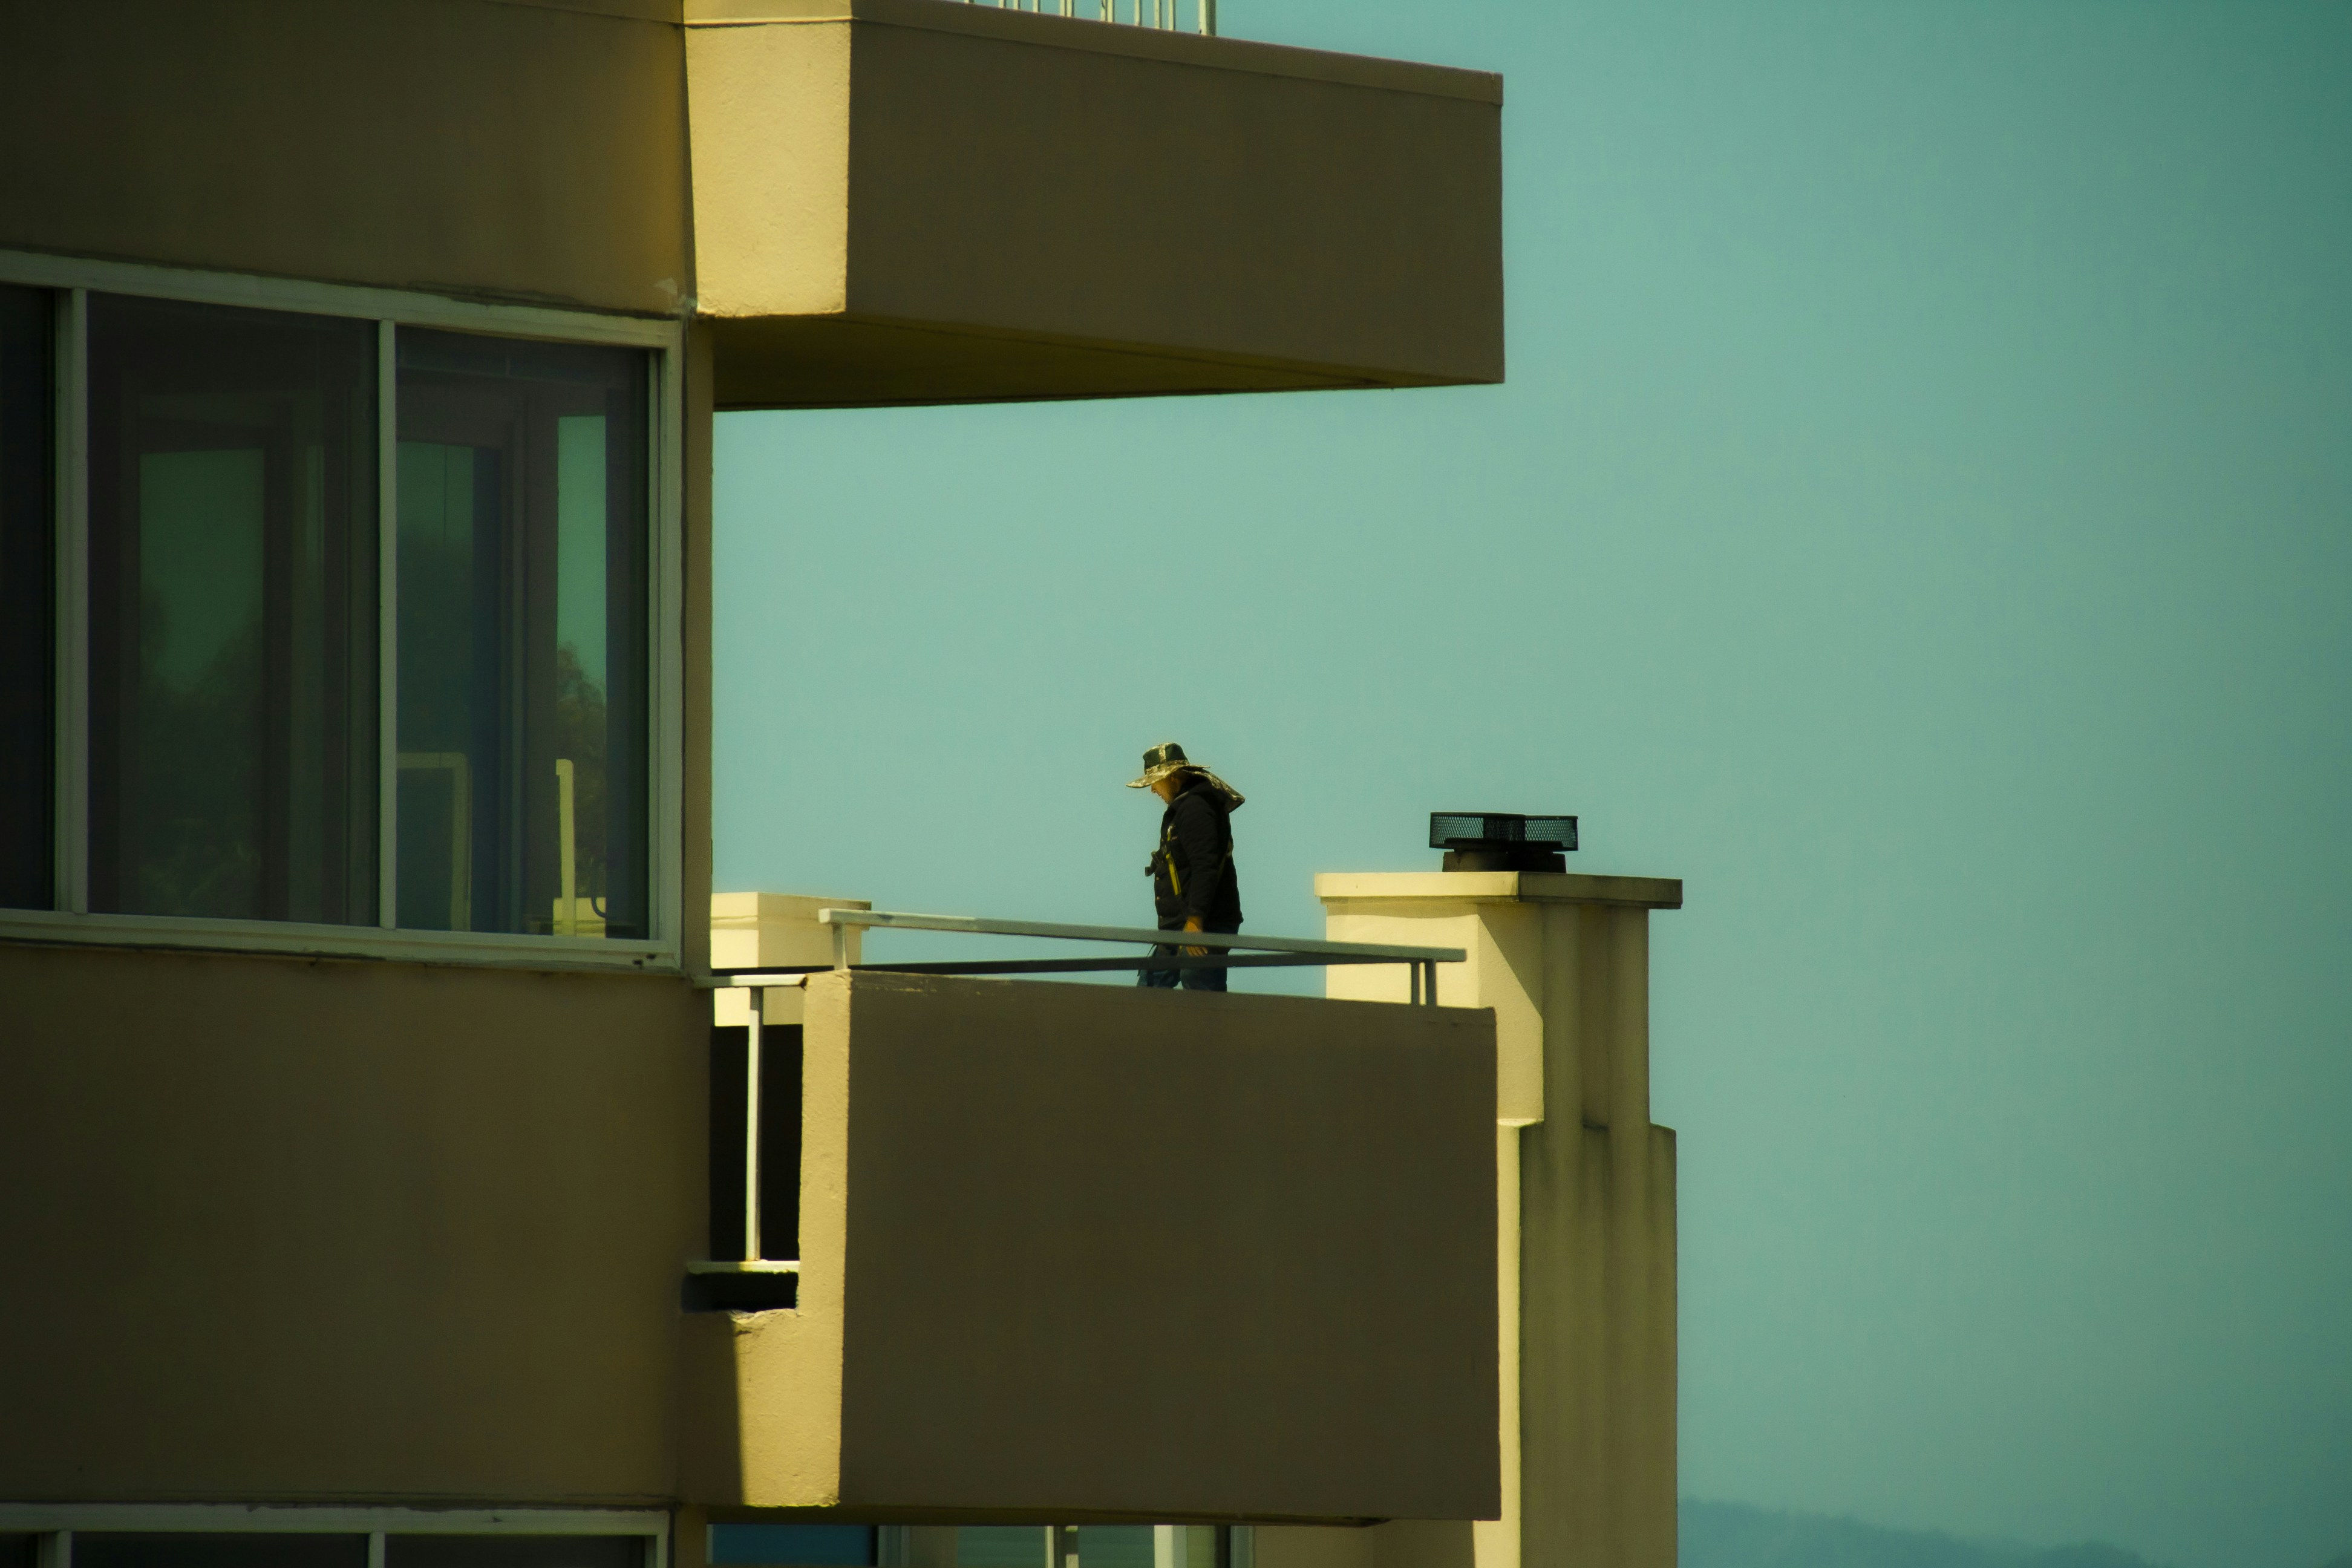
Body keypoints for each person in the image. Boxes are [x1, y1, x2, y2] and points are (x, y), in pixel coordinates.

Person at [1127, 742, 1244, 991]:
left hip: (1200, 926)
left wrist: (1196, 921)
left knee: (1201, 1000)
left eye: (1155, 782)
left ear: (1173, 777)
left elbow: (1205, 866)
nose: (1153, 790)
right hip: (1180, 928)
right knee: (1148, 991)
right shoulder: (1189, 806)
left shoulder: (1195, 809)